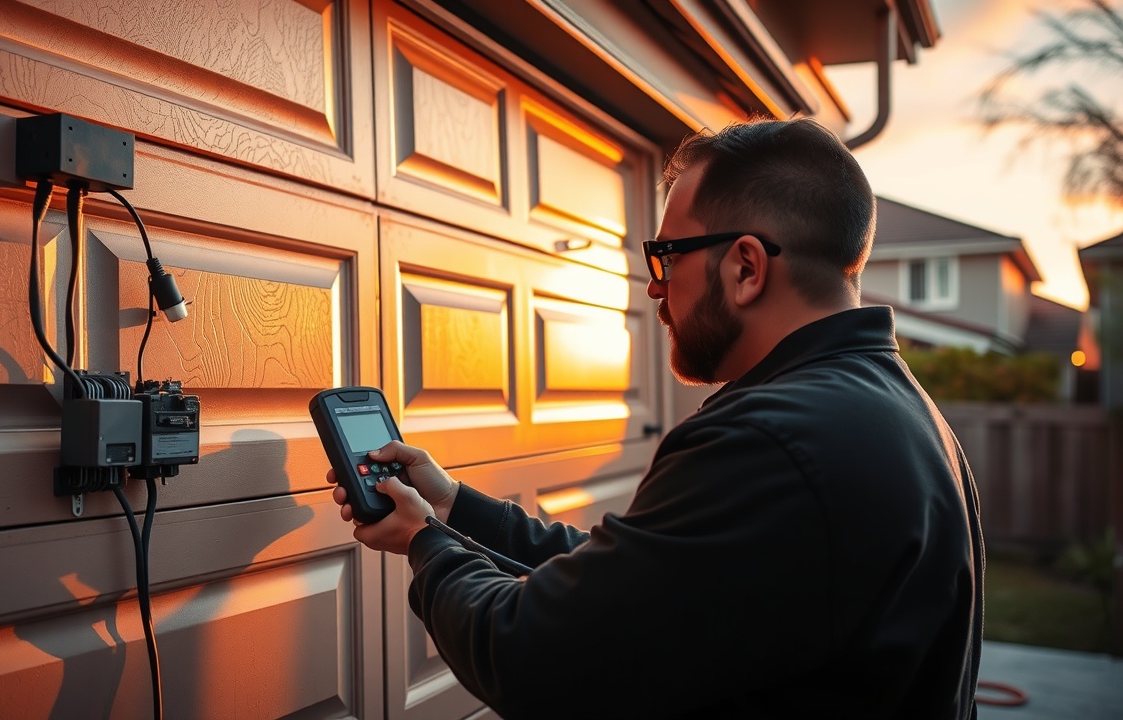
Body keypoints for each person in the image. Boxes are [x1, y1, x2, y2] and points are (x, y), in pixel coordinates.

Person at [327, 116, 985, 719]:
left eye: (667, 256)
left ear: (745, 266)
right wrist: (452, 507)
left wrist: (422, 542)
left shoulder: (768, 441)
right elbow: (636, 583)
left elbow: (535, 657)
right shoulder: (901, 414)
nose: (654, 287)